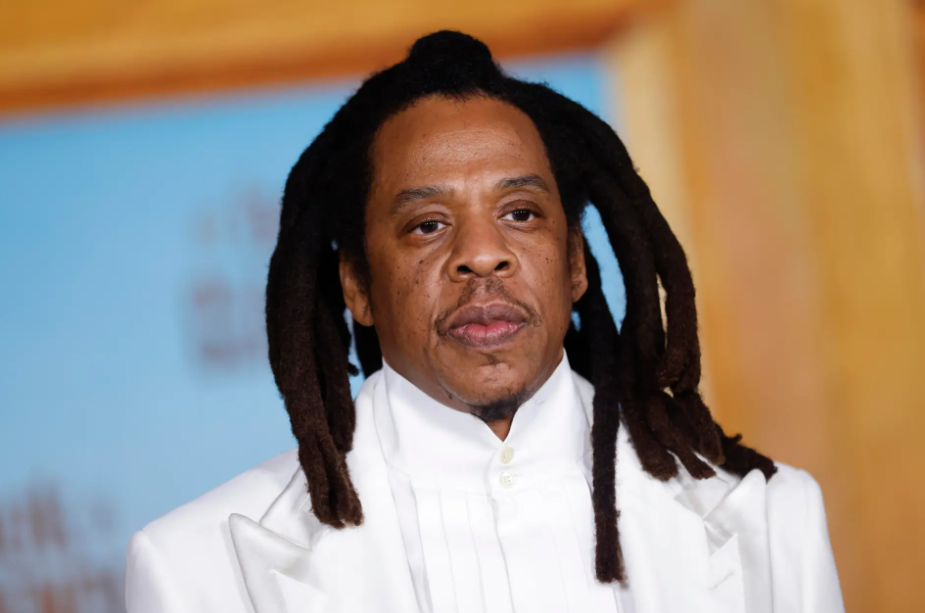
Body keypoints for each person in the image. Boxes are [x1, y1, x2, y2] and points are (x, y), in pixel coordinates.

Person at [124, 30, 844, 613]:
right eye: (428, 224)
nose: (481, 253)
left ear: (574, 263)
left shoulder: (769, 519)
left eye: (520, 213)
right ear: (358, 287)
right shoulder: (196, 571)